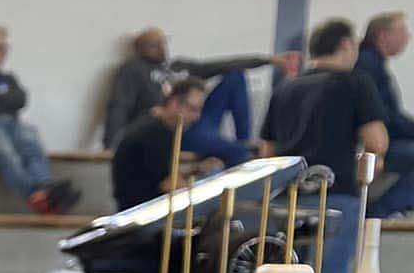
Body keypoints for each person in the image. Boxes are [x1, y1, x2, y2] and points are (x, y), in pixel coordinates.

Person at [261, 18, 389, 273]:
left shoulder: (286, 88)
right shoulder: (355, 83)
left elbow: (267, 151)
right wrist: (375, 161)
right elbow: (376, 141)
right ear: (345, 44)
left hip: (287, 198)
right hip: (336, 195)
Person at [103, 27, 294, 166]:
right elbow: (118, 106)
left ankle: (244, 140)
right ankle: (243, 154)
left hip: (200, 118)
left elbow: (223, 65)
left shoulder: (177, 66)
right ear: (140, 48)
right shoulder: (133, 70)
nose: (161, 48)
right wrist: (112, 147)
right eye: (154, 44)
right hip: (177, 127)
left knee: (235, 76)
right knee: (235, 151)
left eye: (163, 42)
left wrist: (269, 60)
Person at [0, 27, 79, 215]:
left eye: (5, 48)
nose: (2, 53)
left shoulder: (7, 78)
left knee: (30, 140)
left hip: (10, 125)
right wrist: (0, 101)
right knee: (4, 151)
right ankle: (37, 195)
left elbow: (20, 100)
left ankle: (45, 186)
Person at [111, 77, 208, 211]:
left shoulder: (154, 124)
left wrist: (197, 169)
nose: (197, 117)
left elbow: (159, 173)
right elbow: (170, 185)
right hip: (142, 214)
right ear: (174, 103)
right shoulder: (153, 134)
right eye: (192, 109)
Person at [354, 12, 414, 219]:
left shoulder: (371, 62)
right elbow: (384, 116)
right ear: (383, 35)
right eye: (402, 31)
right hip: (369, 144)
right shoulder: (369, 63)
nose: (408, 37)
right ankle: (381, 214)